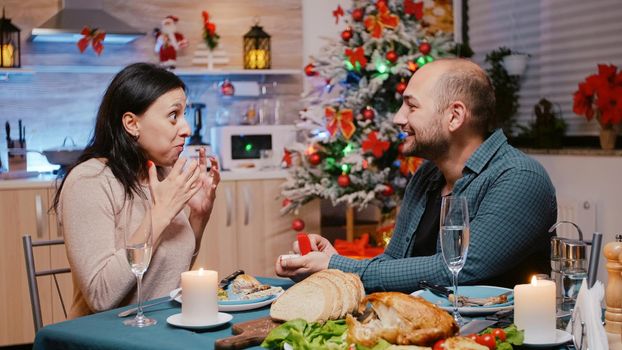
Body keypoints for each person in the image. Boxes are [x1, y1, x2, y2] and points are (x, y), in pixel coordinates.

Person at [276, 58, 557, 291]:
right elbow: (394, 261)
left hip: (497, 337)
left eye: (411, 106)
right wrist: (334, 261)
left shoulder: (520, 178)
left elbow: (456, 270)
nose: (399, 118)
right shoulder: (426, 177)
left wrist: (338, 267)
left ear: (455, 116)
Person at [53, 62, 220, 318]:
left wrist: (199, 216)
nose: (186, 129)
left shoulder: (160, 175)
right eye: (174, 116)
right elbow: (101, 297)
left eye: (184, 115)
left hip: (165, 328)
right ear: (132, 123)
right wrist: (159, 214)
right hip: (105, 338)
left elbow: (170, 277)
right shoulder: (90, 181)